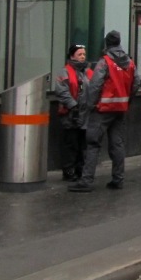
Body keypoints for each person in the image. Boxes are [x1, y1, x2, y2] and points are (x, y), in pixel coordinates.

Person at [68, 30, 140, 193]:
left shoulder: (105, 62)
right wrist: (127, 101)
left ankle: (86, 180)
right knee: (117, 144)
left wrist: (90, 105)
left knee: (93, 143)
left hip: (103, 109)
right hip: (120, 109)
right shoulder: (130, 62)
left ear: (107, 43)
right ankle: (118, 179)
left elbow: (95, 85)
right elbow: (136, 84)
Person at [53, 43, 92, 182]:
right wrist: (73, 106)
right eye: (79, 54)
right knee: (71, 144)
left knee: (83, 145)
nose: (82, 57)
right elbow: (62, 91)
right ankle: (69, 171)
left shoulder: (88, 72)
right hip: (71, 115)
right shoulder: (65, 72)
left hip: (85, 116)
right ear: (72, 56)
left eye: (84, 54)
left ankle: (80, 169)